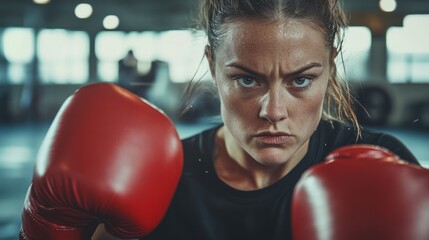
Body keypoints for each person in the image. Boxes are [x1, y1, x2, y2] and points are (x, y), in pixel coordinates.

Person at [20, 0, 425, 240]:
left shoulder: (381, 162)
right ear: (213, 66)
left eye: (301, 79)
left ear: (330, 68)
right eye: (246, 79)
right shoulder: (157, 180)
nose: (273, 111)